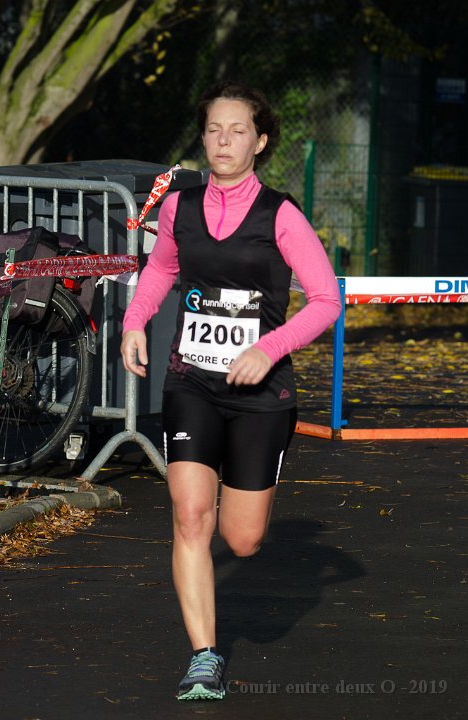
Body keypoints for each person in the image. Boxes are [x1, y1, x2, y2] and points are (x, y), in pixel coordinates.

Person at [120, 80, 341, 701]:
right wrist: (135, 321)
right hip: (191, 379)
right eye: (214, 129)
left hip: (259, 393)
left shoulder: (281, 215)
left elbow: (327, 301)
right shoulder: (178, 208)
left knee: (242, 539)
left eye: (237, 130)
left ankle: (244, 491)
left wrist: (269, 348)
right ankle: (204, 657)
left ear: (260, 141)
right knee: (191, 515)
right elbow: (161, 267)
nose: (223, 141)